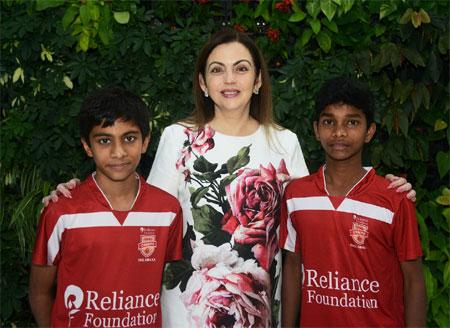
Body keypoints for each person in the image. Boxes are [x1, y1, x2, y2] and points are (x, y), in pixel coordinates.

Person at [41, 29, 416, 327]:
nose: (229, 78)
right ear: (203, 83)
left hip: (258, 309)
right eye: (217, 69)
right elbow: (142, 215)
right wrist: (75, 196)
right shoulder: (178, 138)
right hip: (186, 311)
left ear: (257, 81)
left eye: (241, 68)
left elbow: (315, 217)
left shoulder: (284, 143)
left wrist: (385, 192)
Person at [29, 87, 183, 327]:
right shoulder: (61, 212)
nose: (118, 152)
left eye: (129, 138)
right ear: (87, 146)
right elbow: (39, 293)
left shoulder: (168, 211)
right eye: (104, 141)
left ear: (145, 142)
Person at [280, 76, 426, 327]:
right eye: (329, 122)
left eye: (352, 122)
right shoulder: (296, 195)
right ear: (316, 129)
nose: (339, 132)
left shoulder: (393, 199)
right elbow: (292, 270)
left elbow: (413, 280)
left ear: (369, 131)